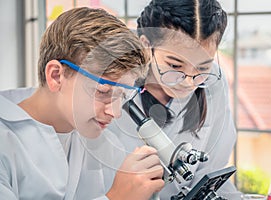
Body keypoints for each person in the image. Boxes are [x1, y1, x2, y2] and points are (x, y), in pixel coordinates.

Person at [0, 7, 165, 200]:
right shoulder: (6, 141)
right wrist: (116, 197)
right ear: (56, 76)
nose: (115, 112)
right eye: (103, 91)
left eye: (122, 95)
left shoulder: (103, 142)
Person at [106, 0, 242, 199]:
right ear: (146, 45)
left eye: (202, 68)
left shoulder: (214, 83)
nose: (188, 81)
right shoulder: (113, 90)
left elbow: (209, 173)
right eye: (175, 65)